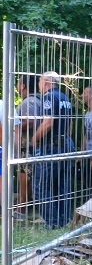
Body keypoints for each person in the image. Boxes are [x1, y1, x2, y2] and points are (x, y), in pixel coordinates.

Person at [31, 71, 75, 228]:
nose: (39, 84)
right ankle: (64, 220)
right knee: (62, 185)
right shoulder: (65, 97)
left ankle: (52, 223)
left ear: (47, 82)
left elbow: (48, 122)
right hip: (67, 144)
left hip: (52, 146)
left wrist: (35, 138)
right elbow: (69, 124)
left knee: (42, 186)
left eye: (40, 80)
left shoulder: (48, 97)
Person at [16, 74, 42, 216]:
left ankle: (22, 209)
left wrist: (15, 126)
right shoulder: (39, 100)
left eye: (18, 83)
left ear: (23, 86)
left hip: (27, 146)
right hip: (34, 145)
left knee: (24, 177)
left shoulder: (29, 101)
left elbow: (30, 121)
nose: (17, 86)